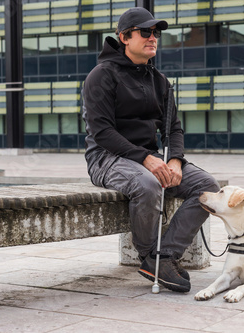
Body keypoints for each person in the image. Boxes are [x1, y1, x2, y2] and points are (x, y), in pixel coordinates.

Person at [82, 7, 220, 293]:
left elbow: (174, 129)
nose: (153, 38)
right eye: (145, 32)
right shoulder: (101, 76)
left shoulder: (159, 81)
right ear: (124, 37)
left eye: (156, 33)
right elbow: (103, 132)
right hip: (107, 158)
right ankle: (149, 255)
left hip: (148, 158)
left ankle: (165, 255)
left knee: (208, 187)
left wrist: (175, 161)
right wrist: (147, 159)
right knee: (148, 184)